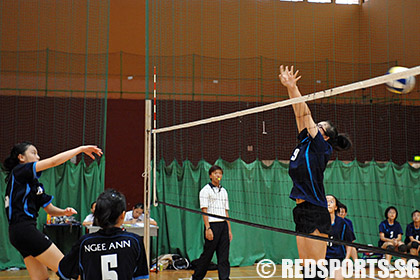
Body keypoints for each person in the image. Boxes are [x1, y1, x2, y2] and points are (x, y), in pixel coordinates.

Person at [279, 65, 352, 280]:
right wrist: (289, 90)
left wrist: (294, 86)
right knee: (306, 269)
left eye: (319, 126)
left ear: (325, 136)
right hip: (301, 209)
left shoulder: (322, 147)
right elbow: (299, 113)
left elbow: (306, 113)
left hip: (315, 209)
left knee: (317, 269)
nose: (314, 125)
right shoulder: (304, 142)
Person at [3, 142, 102, 280]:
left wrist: (63, 212)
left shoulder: (34, 185)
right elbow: (54, 161)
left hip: (18, 234)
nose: (38, 157)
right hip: (24, 230)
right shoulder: (19, 171)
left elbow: (49, 209)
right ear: (21, 157)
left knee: (41, 278)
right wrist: (80, 149)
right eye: (33, 153)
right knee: (69, 271)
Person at [57, 189, 149, 280]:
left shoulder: (85, 243)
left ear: (96, 215)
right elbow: (141, 277)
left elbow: (64, 272)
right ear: (122, 215)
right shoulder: (135, 241)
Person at [192, 165, 232, 280]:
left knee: (224, 256)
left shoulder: (224, 191)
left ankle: (224, 278)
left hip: (223, 225)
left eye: (220, 173)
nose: (218, 175)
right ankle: (197, 277)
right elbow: (204, 211)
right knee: (207, 256)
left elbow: (226, 211)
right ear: (210, 175)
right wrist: (207, 228)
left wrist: (229, 229)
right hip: (212, 225)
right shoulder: (205, 190)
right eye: (215, 173)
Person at [326, 195, 356, 280]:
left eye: (331, 201)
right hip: (322, 258)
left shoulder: (342, 223)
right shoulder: (318, 222)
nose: (328, 204)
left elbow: (349, 242)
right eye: (326, 201)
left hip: (337, 257)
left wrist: (347, 258)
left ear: (336, 207)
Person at [378, 206, 407, 271]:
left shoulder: (397, 224)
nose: (392, 214)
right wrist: (392, 241)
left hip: (394, 242)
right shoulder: (383, 224)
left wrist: (396, 241)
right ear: (387, 214)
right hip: (384, 244)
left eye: (394, 212)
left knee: (402, 245)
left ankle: (403, 264)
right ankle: (387, 265)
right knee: (390, 245)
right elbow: (382, 237)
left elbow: (399, 237)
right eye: (390, 212)